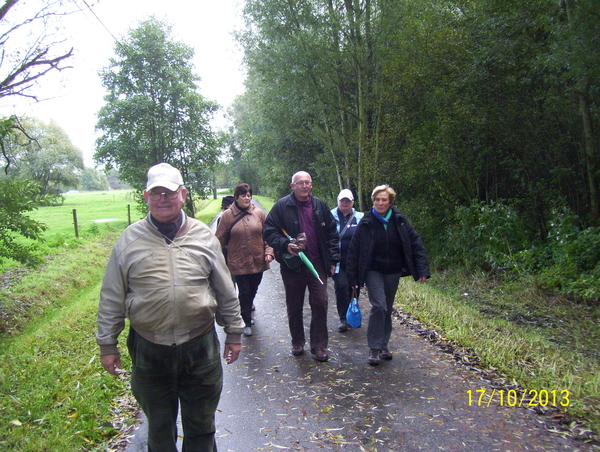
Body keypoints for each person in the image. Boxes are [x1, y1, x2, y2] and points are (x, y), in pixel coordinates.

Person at [96, 162, 244, 452]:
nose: (163, 199)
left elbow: (226, 289)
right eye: (156, 193)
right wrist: (107, 344)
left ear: (183, 195)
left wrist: (234, 332)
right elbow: (112, 295)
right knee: (160, 428)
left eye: (169, 192)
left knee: (201, 426)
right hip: (150, 350)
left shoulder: (203, 237)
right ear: (146, 196)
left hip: (200, 347)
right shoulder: (129, 241)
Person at [347, 184, 430, 366]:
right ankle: (374, 348)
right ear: (373, 201)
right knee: (379, 305)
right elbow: (354, 249)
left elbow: (415, 242)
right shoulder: (367, 221)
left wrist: (423, 269)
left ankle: (384, 345)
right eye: (377, 199)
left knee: (387, 308)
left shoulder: (399, 220)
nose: (380, 202)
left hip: (393, 271)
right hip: (373, 270)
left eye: (384, 199)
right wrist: (352, 278)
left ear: (390, 201)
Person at [263, 171, 339, 362]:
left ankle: (319, 346)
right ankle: (297, 342)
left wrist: (332, 260)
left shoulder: (320, 206)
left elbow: (332, 233)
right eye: (300, 183)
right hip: (293, 266)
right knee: (294, 305)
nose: (305, 186)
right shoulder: (282, 206)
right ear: (292, 186)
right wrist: (284, 245)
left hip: (317, 264)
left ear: (311, 185)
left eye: (307, 182)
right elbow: (269, 230)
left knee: (320, 302)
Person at [215, 183, 274, 337]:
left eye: (249, 195)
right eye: (243, 195)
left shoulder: (259, 214)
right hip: (237, 261)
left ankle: (246, 309)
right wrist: (218, 260)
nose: (247, 198)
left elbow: (268, 236)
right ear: (236, 197)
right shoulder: (227, 216)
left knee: (253, 288)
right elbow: (219, 239)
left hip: (258, 260)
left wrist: (269, 252)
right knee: (244, 291)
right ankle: (246, 321)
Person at [331, 189, 364, 333]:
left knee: (354, 288)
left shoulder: (360, 217)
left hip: (356, 263)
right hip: (338, 262)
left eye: (348, 201)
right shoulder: (330, 216)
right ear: (338, 201)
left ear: (352, 203)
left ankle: (353, 315)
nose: (345, 203)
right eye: (342, 200)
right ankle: (343, 318)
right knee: (342, 287)